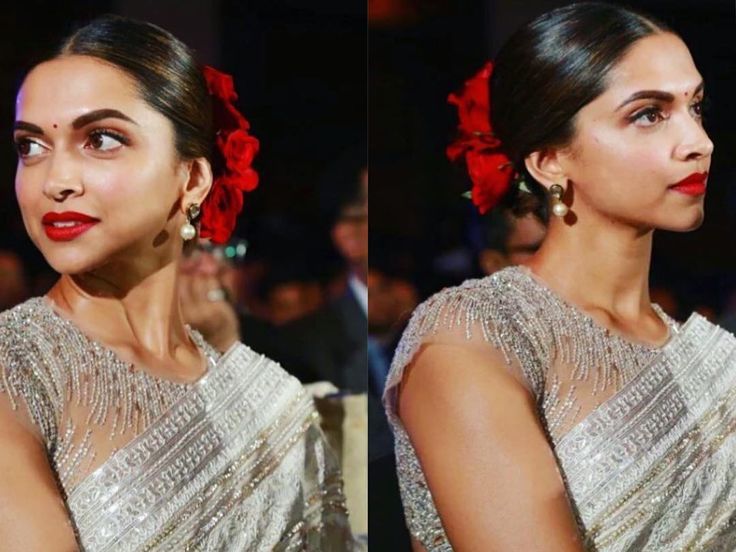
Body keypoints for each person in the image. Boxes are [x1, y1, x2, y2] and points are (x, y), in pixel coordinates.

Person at [383, 3, 736, 550]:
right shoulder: (477, 337)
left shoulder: (713, 355)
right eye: (648, 114)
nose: (699, 142)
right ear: (549, 161)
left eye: (696, 106)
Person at [0, 15, 359, 551]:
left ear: (192, 178)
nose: (55, 181)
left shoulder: (271, 401)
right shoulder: (16, 368)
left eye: (100, 139)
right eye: (31, 147)